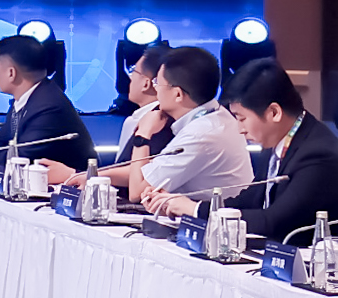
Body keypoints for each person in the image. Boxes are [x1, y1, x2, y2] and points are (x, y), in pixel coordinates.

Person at [50, 45, 251, 203]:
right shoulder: (214, 115)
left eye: (158, 84)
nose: (156, 90)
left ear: (178, 94)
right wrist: (89, 176)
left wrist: (143, 136)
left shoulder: (200, 134)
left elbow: (137, 192)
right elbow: (150, 172)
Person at [213, 62, 338, 250]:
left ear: (274, 113)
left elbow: (274, 222)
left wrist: (196, 211)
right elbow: (252, 199)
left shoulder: (319, 155)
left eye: (241, 118)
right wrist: (203, 209)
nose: (240, 129)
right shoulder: (277, 140)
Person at [0, 32, 95, 173]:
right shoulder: (26, 99)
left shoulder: (48, 107)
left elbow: (16, 159)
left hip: (75, 184)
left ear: (11, 73)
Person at [111, 41, 175, 165]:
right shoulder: (140, 117)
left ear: (146, 84)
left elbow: (146, 168)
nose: (130, 77)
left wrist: (88, 174)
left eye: (133, 71)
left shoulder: (161, 122)